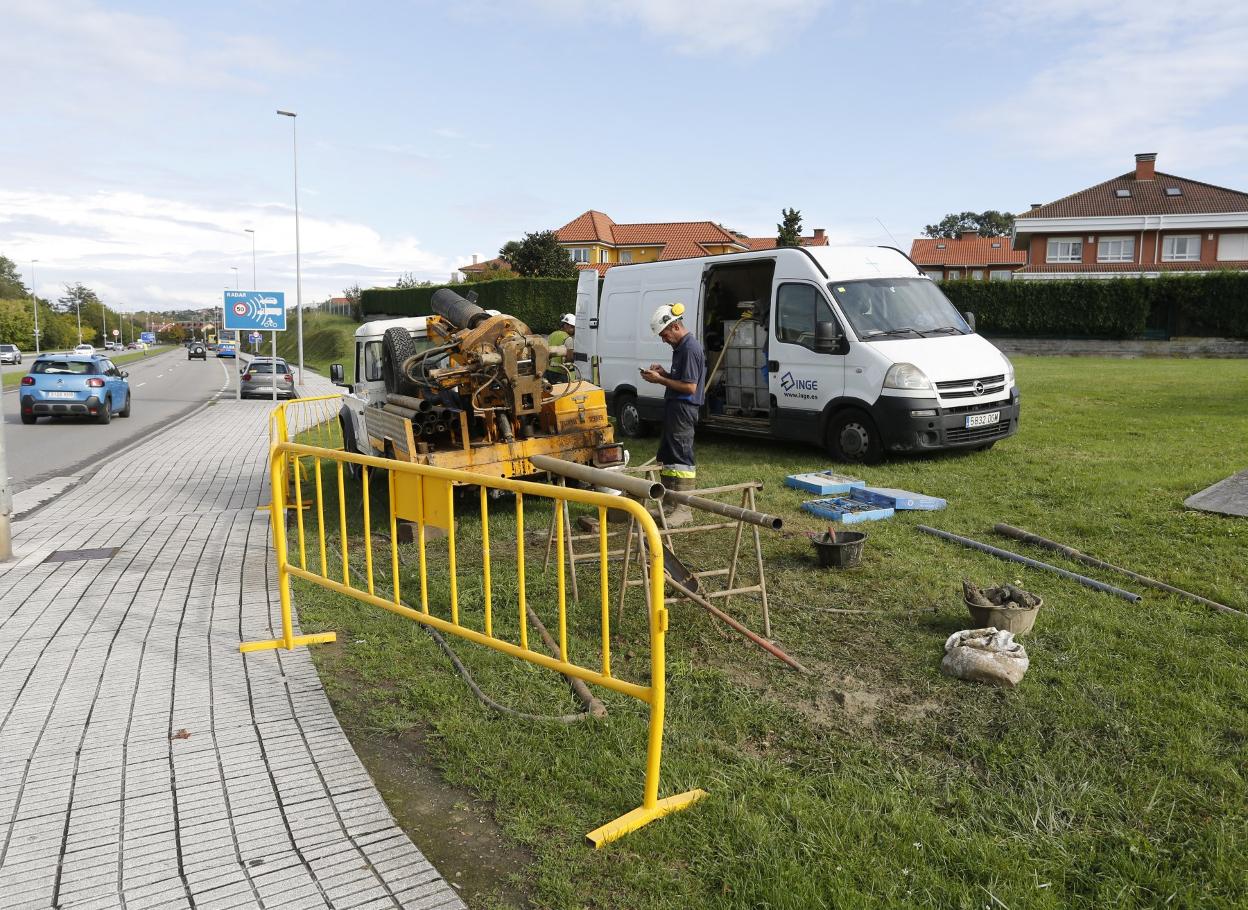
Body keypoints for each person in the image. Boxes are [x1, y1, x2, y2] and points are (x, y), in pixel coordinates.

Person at [640, 302, 706, 527]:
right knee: (669, 456)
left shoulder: (689, 348)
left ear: (675, 326)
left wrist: (660, 380)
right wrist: (664, 373)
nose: (663, 339)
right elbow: (681, 380)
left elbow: (690, 388)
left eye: (664, 334)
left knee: (681, 458)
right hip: (674, 407)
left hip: (684, 409)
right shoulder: (680, 348)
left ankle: (683, 508)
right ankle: (668, 504)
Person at [545, 313, 576, 383]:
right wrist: (567, 369)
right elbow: (570, 358)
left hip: (547, 371)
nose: (574, 330)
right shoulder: (568, 338)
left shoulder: (552, 335)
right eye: (572, 327)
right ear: (566, 325)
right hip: (560, 373)